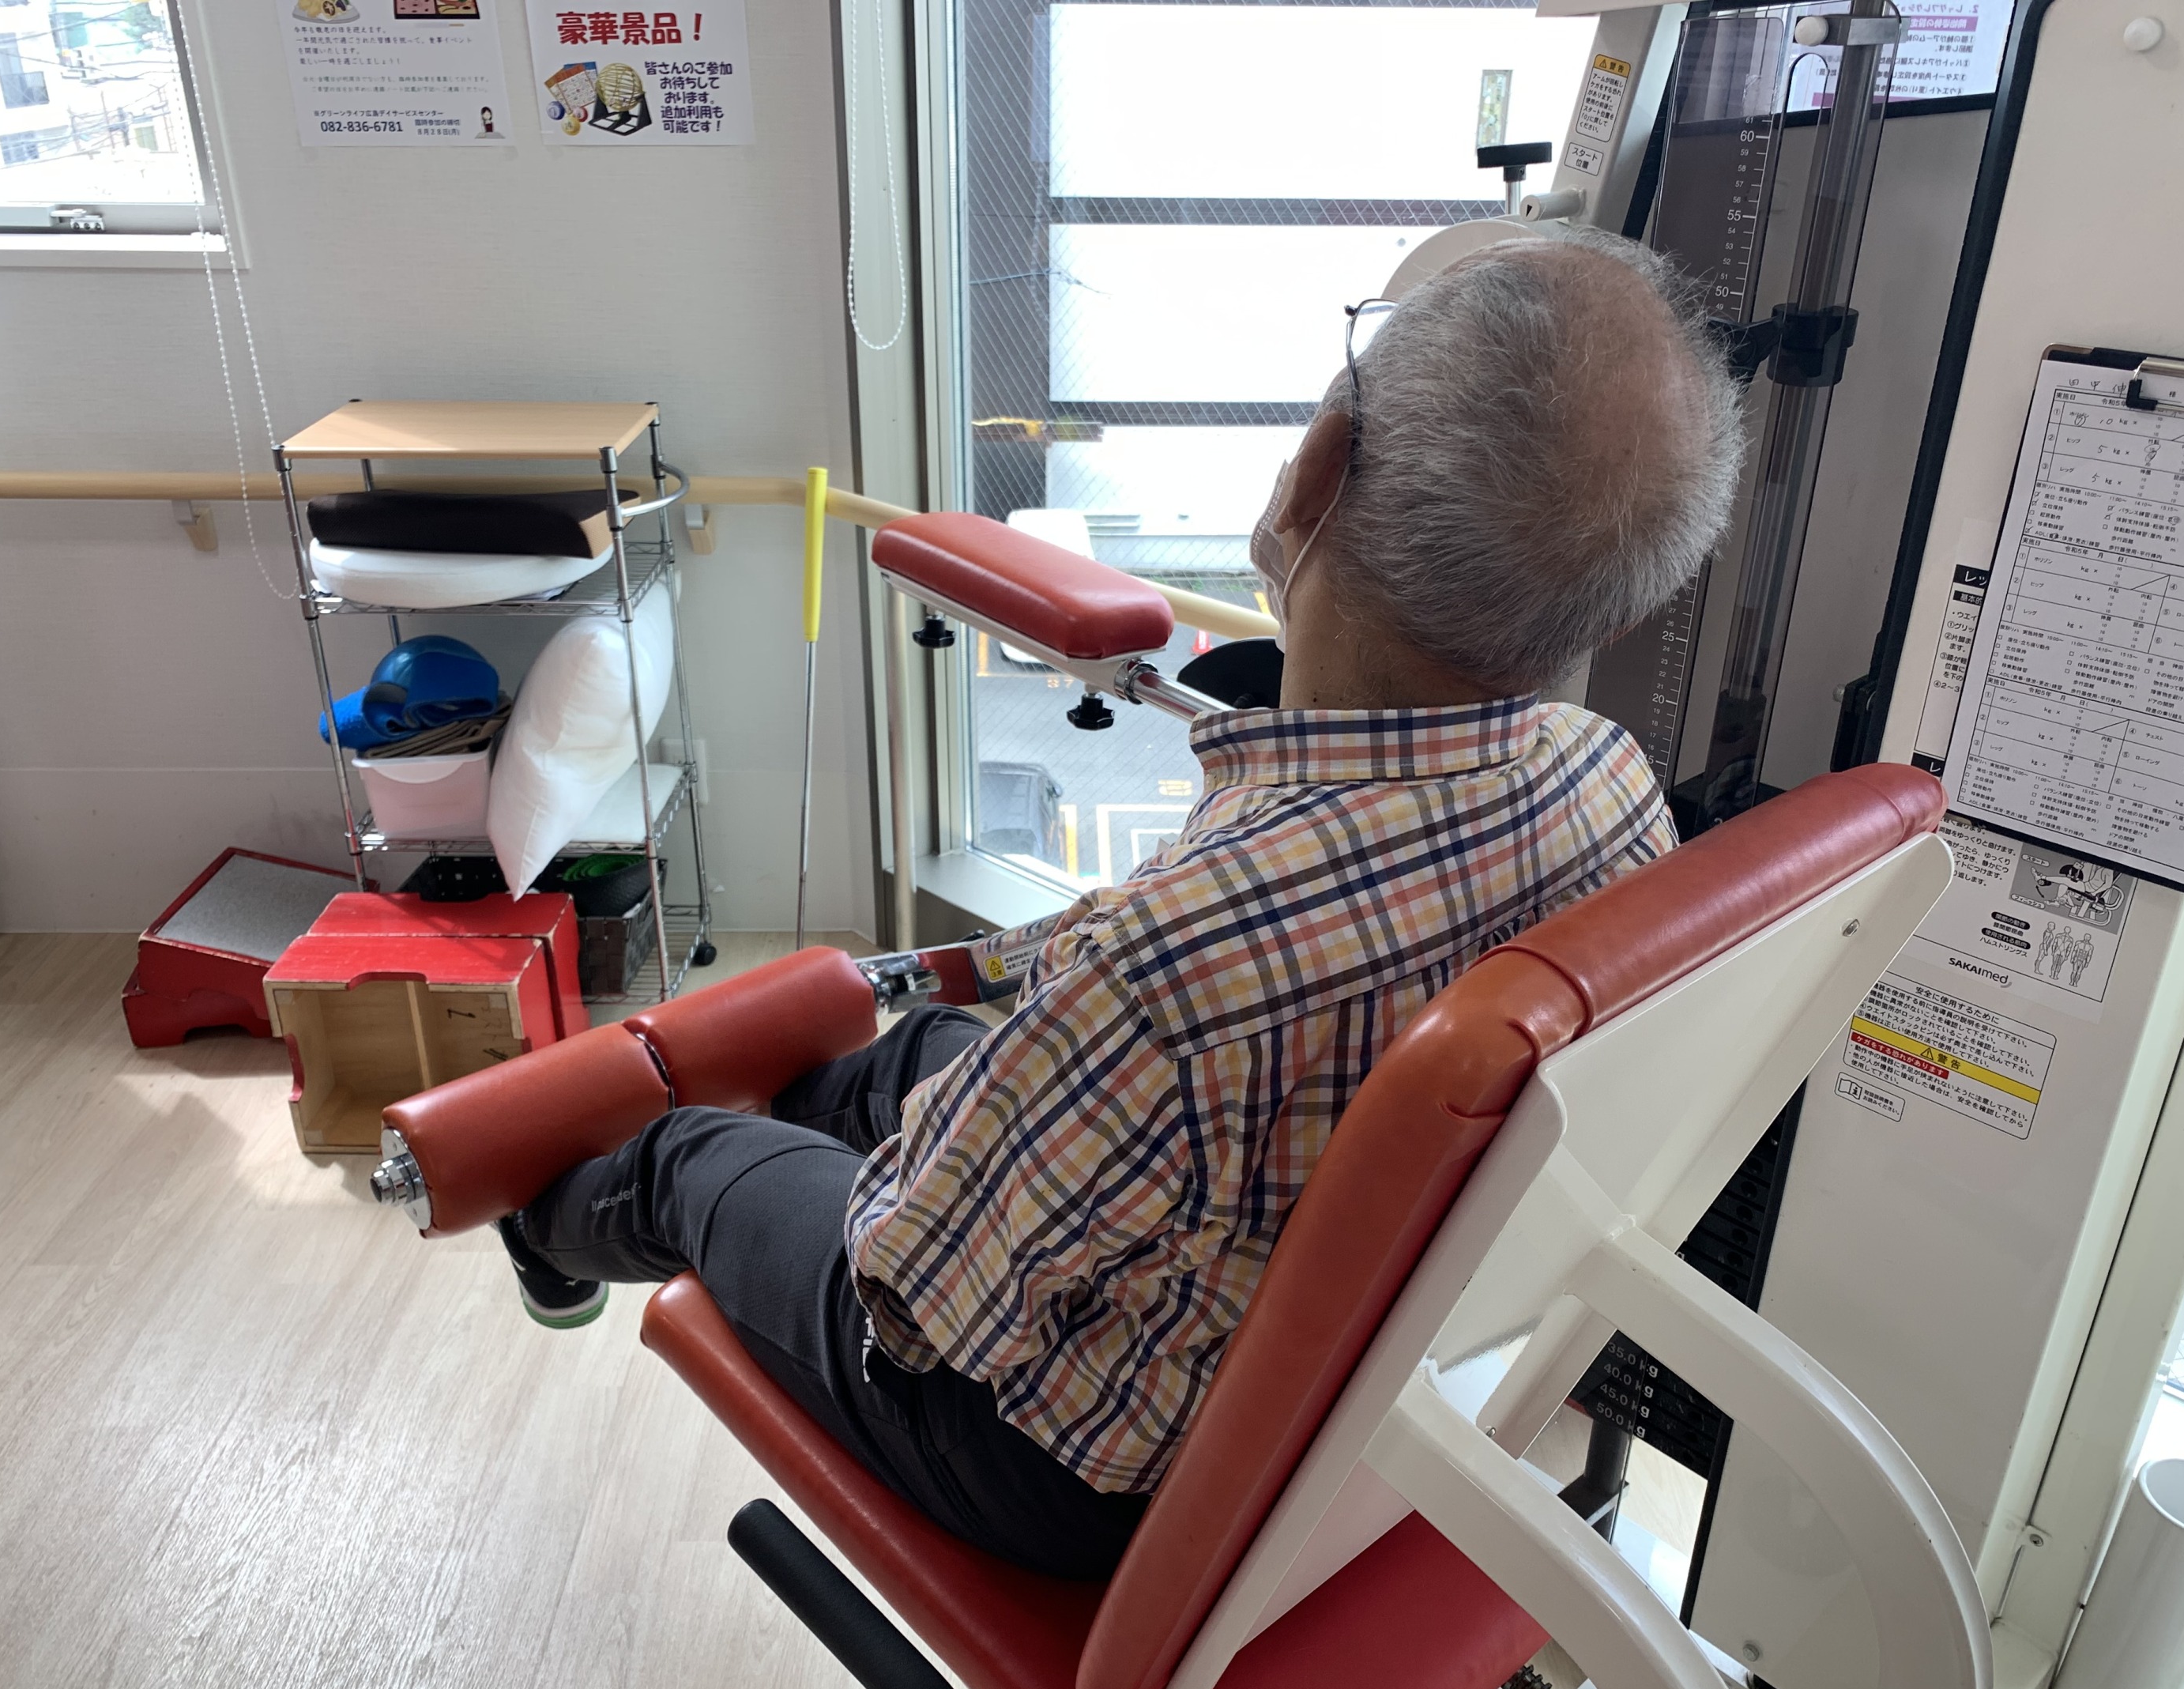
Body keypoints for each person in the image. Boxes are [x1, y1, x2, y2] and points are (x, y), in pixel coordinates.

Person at [488, 229, 1745, 1581]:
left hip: (1090, 1473)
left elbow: (910, 1277)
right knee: (907, 1056)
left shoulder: (1171, 969)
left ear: (1318, 468)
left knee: (694, 1159)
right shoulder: (1613, 779)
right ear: (1621, 603)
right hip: (1351, 1377)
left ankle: (537, 1215)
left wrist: (818, 1161)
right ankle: (776, 1121)